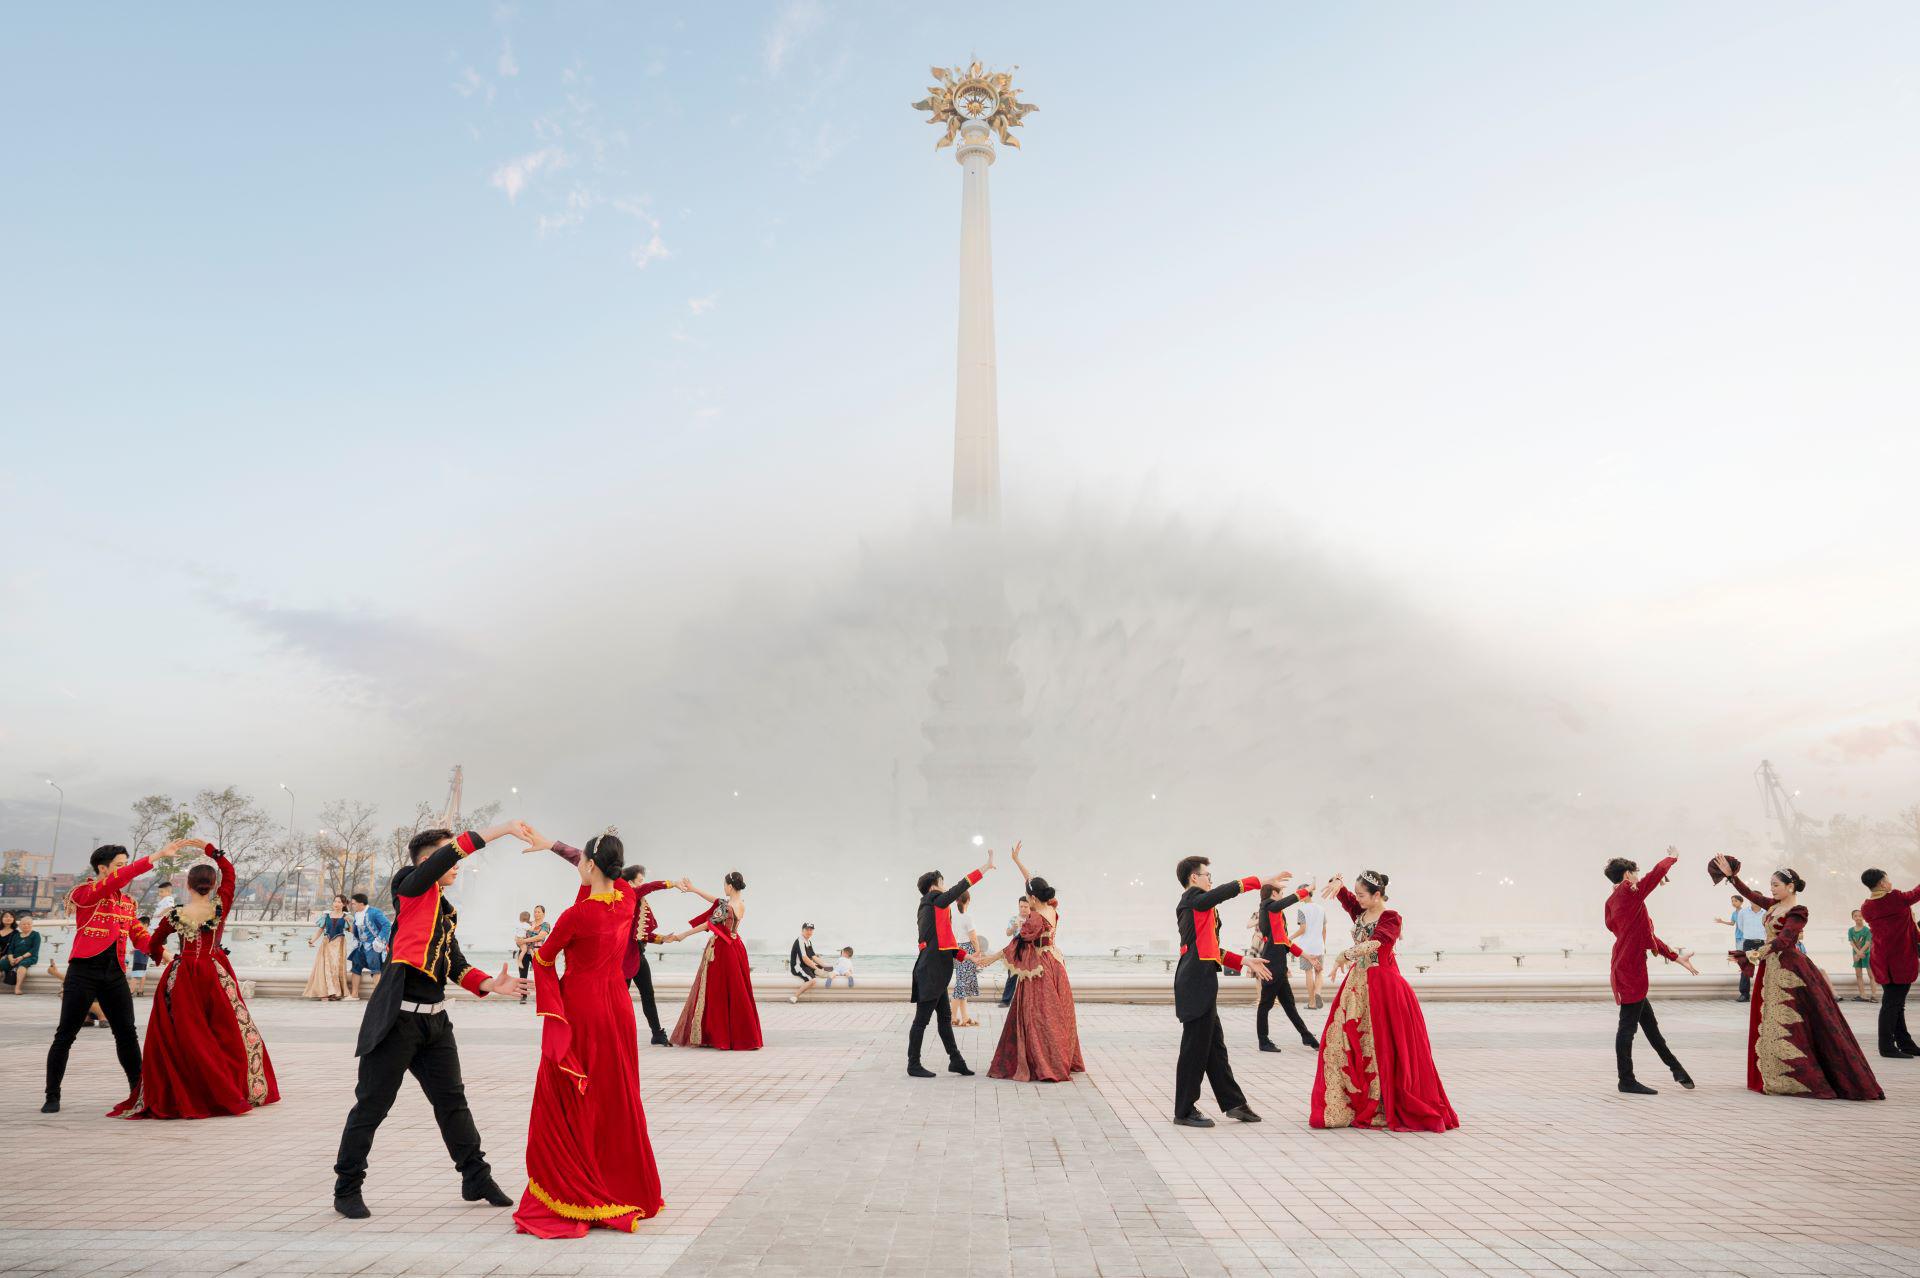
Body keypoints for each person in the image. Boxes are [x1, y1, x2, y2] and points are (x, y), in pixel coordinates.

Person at [331, 823, 532, 1219]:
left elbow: (453, 963)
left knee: (453, 1103)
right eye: (450, 857)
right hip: (396, 1021)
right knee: (371, 1107)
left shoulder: (444, 908)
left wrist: (492, 984)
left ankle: (475, 1177)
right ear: (429, 861)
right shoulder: (408, 884)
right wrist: (500, 830)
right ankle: (346, 1187)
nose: (458, 866)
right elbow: (445, 859)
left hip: (435, 1022)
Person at [513, 828, 665, 1236]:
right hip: (617, 1007)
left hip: (582, 1009)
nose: (578, 863)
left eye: (582, 860)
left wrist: (551, 1004)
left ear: (591, 865)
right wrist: (554, 846)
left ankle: (578, 1188)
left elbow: (543, 961)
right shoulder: (627, 901)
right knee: (616, 1094)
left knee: (570, 1096)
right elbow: (593, 868)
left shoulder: (576, 916)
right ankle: (622, 1183)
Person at [110, 845, 279, 1119]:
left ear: (188, 885)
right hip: (214, 973)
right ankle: (230, 1090)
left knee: (185, 1036)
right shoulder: (220, 906)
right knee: (227, 1033)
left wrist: (158, 957)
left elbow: (154, 943)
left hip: (183, 975)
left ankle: (188, 1091)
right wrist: (210, 850)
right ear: (212, 886)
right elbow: (230, 874)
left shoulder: (175, 915)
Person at [1714, 856, 1881, 1100]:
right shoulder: (1773, 905)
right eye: (1771, 885)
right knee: (1770, 1018)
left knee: (1798, 1023)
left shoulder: (1798, 911)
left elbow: (1785, 940)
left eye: (1775, 885)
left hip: (1791, 970)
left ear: (1790, 886)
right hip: (1771, 969)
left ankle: (1800, 1077)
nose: (1771, 889)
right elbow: (1750, 894)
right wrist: (1731, 877)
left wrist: (1752, 954)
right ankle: (1772, 1075)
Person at [42, 839, 185, 1114]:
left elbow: (139, 935)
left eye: (125, 865)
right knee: (65, 1035)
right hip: (83, 971)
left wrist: (165, 954)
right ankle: (52, 1094)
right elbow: (115, 881)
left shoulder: (127, 903)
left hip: (114, 973)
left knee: (127, 1034)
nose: (124, 871)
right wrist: (157, 855)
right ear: (103, 868)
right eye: (119, 866)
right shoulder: (85, 892)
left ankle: (139, 1090)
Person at [1310, 871, 1459, 1132]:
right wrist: (1340, 888)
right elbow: (1350, 905)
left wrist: (1345, 955)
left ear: (1377, 895)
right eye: (1356, 895)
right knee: (1339, 1041)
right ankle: (1346, 1103)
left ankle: (1380, 1103)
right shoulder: (1362, 910)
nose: (1357, 899)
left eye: (1362, 894)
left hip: (1384, 987)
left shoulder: (1390, 917)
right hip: (1357, 985)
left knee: (1382, 1046)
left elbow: (1379, 941)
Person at [1171, 856, 1285, 1128]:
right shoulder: (1192, 899)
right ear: (1193, 879)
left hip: (1201, 980)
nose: (1210, 879)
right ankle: (1184, 1110)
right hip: (1194, 982)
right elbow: (1222, 893)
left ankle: (1234, 1104)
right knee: (1194, 1050)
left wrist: (1245, 961)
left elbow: (1211, 950)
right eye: (1206, 875)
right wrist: (1259, 881)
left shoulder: (1200, 908)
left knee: (1214, 1048)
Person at [978, 842, 1085, 1082]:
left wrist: (990, 959)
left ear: (1033, 899)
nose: (1026, 899)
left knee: (1040, 1016)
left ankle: (1047, 1062)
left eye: (1028, 897)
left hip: (1040, 969)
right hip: (1056, 963)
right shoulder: (1052, 908)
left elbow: (1016, 943)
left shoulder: (1036, 918)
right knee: (1059, 1014)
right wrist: (1017, 862)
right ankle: (1061, 1057)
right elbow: (1034, 883)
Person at [1604, 851, 1700, 1095]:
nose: (1638, 877)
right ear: (1627, 876)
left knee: (1650, 1025)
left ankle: (1677, 1069)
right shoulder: (1628, 892)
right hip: (1631, 969)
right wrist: (1673, 858)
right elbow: (1654, 876)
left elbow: (1644, 935)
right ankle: (1626, 1080)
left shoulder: (1613, 901)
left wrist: (1676, 957)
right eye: (1635, 873)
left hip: (1624, 964)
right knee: (1627, 1027)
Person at [907, 851, 995, 1078]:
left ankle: (956, 1061)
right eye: (942, 883)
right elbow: (959, 888)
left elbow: (946, 945)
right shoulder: (934, 901)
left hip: (935, 971)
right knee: (921, 1021)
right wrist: (984, 869)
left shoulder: (932, 908)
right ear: (934, 887)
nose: (946, 887)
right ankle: (913, 1064)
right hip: (931, 972)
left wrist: (969, 957)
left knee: (945, 1019)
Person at [667, 872, 762, 1050]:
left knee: (717, 991)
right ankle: (742, 1035)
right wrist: (694, 889)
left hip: (722, 951)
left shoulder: (727, 908)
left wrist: (682, 936)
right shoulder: (740, 904)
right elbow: (715, 900)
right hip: (736, 946)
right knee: (736, 991)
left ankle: (719, 1035)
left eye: (725, 884)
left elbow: (707, 924)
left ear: (730, 886)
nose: (723, 888)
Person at [1859, 868, 1920, 1059]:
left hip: (1881, 960)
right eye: (1888, 879)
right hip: (1900, 959)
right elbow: (1916, 893)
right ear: (1883, 883)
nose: (1890, 882)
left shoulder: (1866, 907)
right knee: (1891, 1004)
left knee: (1895, 1003)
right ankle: (1886, 1046)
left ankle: (1905, 1043)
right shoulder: (1895, 898)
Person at [619, 864, 679, 1045]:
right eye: (639, 881)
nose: (642, 885)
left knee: (648, 994)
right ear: (630, 883)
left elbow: (640, 934)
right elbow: (650, 887)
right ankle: (615, 1033)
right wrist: (672, 883)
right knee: (620, 999)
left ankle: (657, 1034)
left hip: (637, 955)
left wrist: (663, 939)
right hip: (624, 958)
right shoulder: (629, 895)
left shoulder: (636, 903)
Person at [1254, 881, 1316, 1053]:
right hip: (1272, 965)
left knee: (1289, 1005)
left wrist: (1306, 955)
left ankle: (1307, 1036)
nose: (1281, 895)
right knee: (1265, 1004)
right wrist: (1307, 891)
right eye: (1280, 892)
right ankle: (1263, 1041)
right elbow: (1285, 902)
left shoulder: (1275, 914)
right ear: (1273, 894)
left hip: (1278, 965)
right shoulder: (1269, 906)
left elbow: (1285, 941)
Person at [305, 895, 351, 1000]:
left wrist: (349, 921)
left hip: (339, 944)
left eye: (339, 902)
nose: (336, 904)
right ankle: (326, 992)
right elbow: (320, 930)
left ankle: (335, 992)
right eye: (335, 901)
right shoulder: (326, 915)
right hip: (327, 943)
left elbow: (352, 931)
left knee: (335, 967)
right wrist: (312, 940)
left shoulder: (347, 916)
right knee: (325, 967)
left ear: (343, 904)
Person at [347, 892, 390, 1001]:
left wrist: (379, 940)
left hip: (373, 946)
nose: (352, 906)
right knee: (356, 967)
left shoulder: (374, 912)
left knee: (375, 969)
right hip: (360, 945)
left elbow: (387, 925)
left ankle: (379, 997)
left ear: (361, 904)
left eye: (354, 904)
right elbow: (357, 931)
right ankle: (354, 994)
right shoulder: (357, 914)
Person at [1293, 885, 1328, 1011]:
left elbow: (1303, 929)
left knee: (1308, 973)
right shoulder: (1321, 909)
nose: (1299, 896)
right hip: (1319, 945)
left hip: (1306, 947)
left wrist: (1290, 937)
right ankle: (1318, 992)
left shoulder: (1302, 909)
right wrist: (1323, 945)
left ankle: (1312, 1003)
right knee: (1319, 972)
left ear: (1306, 893)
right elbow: (1324, 930)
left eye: (1300, 893)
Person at [950, 893, 982, 1027]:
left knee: (961, 984)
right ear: (968, 900)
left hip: (958, 949)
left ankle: (965, 1018)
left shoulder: (953, 916)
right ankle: (952, 1018)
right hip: (968, 949)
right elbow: (973, 937)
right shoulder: (967, 917)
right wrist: (978, 951)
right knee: (961, 985)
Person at [788, 922, 830, 1003]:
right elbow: (805, 959)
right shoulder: (800, 941)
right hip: (798, 966)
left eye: (811, 930)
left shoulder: (808, 941)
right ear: (802, 930)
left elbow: (813, 956)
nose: (809, 932)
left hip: (805, 965)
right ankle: (795, 996)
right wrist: (816, 968)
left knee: (827, 969)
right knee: (812, 980)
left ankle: (818, 971)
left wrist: (825, 965)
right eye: (807, 929)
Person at [1000, 898, 1030, 1008]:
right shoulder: (1014, 919)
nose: (1023, 909)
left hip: (1029, 950)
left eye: (1025, 907)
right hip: (1016, 950)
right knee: (1012, 975)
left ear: (1029, 906)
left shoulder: (1033, 918)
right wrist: (1014, 927)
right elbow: (1008, 933)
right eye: (1021, 906)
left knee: (1028, 976)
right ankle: (1006, 1000)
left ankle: (1026, 1002)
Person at [3, 913, 41, 994]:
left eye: (28, 924)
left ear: (31, 925)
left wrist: (21, 957)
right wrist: (10, 959)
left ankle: (17, 988)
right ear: (20, 925)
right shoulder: (16, 935)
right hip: (14, 957)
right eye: (24, 924)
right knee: (1, 963)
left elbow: (34, 950)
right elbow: (10, 949)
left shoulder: (35, 935)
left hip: (29, 957)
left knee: (23, 964)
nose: (26, 925)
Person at [1848, 909, 1876, 1004]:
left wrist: (1860, 953)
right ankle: (1862, 994)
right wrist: (1858, 953)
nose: (1858, 918)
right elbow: (1852, 943)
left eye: (1860, 916)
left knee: (1871, 974)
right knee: (1858, 975)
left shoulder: (1867, 930)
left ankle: (1874, 995)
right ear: (1852, 918)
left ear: (1863, 917)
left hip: (1866, 954)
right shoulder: (1851, 930)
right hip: (1856, 955)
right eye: (1855, 916)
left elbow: (1868, 943)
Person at [127, 915, 153, 995]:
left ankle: (130, 991)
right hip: (142, 953)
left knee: (136, 972)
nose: (137, 926)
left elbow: (144, 944)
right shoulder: (146, 934)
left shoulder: (145, 934)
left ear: (145, 925)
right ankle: (140, 991)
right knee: (142, 971)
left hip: (141, 954)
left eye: (139, 924)